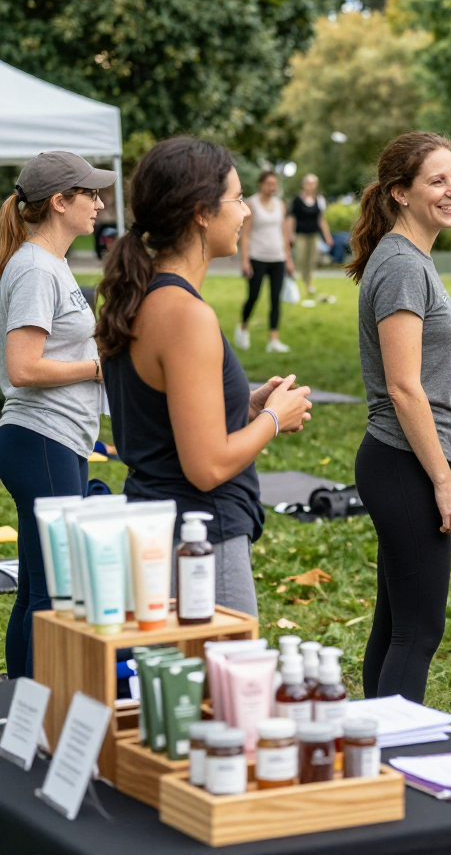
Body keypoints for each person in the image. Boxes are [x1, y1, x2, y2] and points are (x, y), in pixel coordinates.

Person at [97, 138, 312, 616]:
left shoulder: (142, 295)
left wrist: (248, 406)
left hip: (156, 528)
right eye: (236, 199)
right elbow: (207, 466)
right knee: (220, 689)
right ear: (201, 212)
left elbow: (164, 415)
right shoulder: (185, 315)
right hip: (199, 541)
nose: (246, 213)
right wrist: (275, 418)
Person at [347, 131, 451, 703]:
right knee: (418, 631)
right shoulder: (400, 265)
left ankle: (376, 761)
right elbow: (404, 386)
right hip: (406, 463)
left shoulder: (409, 258)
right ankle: (396, 769)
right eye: (437, 180)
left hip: (407, 461)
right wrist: (445, 484)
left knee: (397, 625)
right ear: (400, 192)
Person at [0, 152, 116, 678]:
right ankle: (39, 720)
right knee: (54, 595)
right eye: (89, 194)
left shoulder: (52, 264)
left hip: (55, 441)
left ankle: (22, 716)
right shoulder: (33, 268)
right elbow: (22, 368)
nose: (99, 203)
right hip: (38, 439)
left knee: (36, 588)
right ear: (59, 201)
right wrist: (96, 369)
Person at [235, 170, 293, 354]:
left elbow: (284, 233)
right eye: (268, 183)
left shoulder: (280, 205)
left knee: (275, 299)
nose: (272, 187)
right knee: (253, 296)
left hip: (277, 258)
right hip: (257, 257)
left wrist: (289, 259)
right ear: (261, 184)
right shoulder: (252, 204)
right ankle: (243, 328)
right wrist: (245, 260)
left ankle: (273, 339)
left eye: (274, 184)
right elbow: (245, 235)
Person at [288, 174, 333, 295]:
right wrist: (290, 233)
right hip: (300, 235)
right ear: (304, 184)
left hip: (314, 235)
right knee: (301, 258)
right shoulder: (297, 201)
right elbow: (292, 218)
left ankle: (308, 283)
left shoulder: (319, 200)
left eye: (313, 183)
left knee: (311, 260)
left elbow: (322, 220)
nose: (311, 186)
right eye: (308, 183)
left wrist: (327, 237)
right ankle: (302, 281)